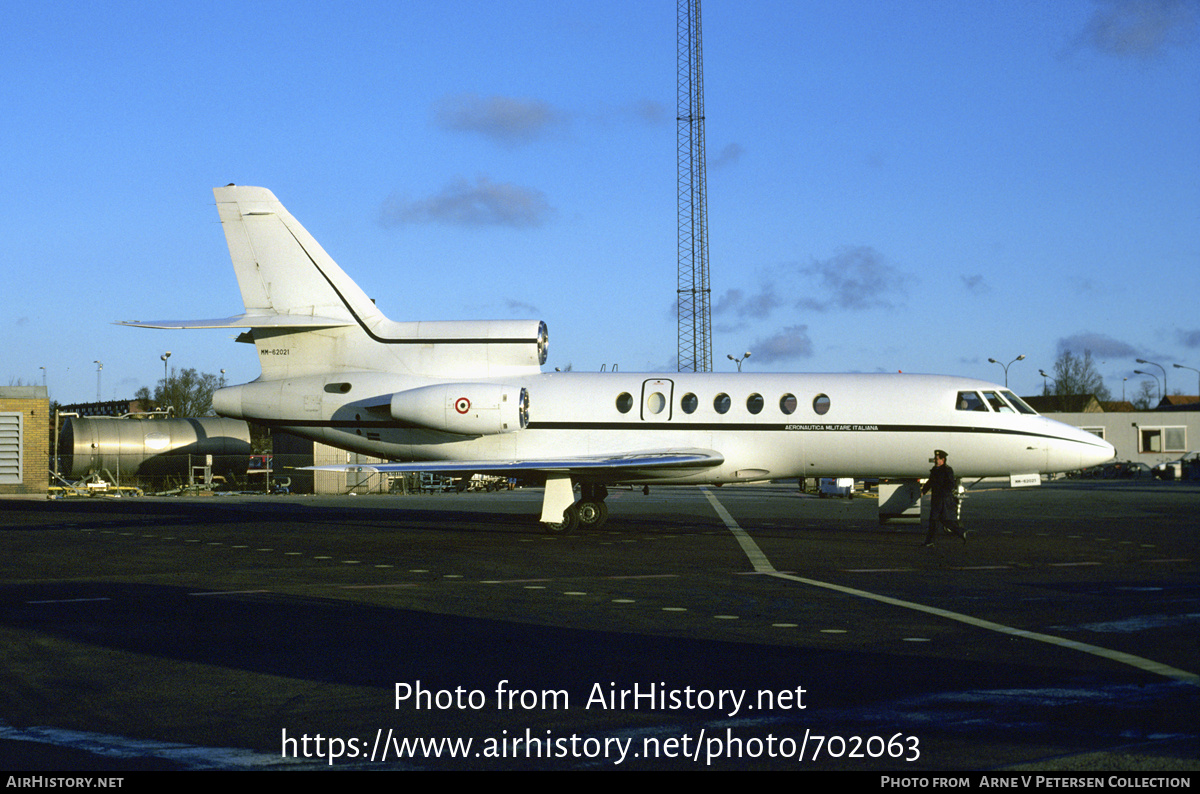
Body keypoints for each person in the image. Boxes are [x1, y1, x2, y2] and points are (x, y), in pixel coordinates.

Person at [921, 449, 967, 546]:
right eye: (935, 459)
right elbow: (930, 482)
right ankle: (930, 541)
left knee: (943, 520)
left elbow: (950, 484)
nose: (936, 460)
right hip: (936, 499)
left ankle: (960, 532)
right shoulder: (935, 470)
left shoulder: (947, 470)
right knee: (935, 520)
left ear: (943, 459)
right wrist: (923, 491)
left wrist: (943, 493)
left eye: (937, 459)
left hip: (943, 499)